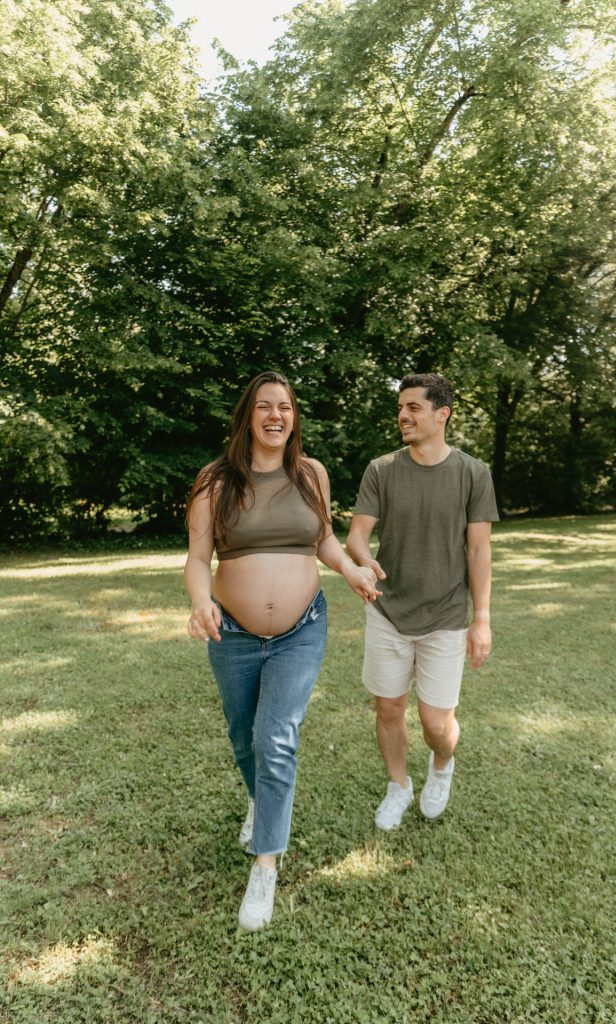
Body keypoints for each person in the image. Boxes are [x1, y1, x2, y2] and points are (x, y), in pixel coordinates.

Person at [184, 370, 380, 931]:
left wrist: (351, 569)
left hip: (302, 627)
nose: (277, 415)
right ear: (248, 415)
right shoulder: (215, 482)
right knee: (242, 734)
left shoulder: (310, 474)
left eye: (286, 407)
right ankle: (259, 802)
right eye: (265, 406)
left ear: (294, 417)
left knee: (276, 738)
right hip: (234, 633)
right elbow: (199, 558)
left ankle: (265, 863)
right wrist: (201, 600)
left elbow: (322, 542)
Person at [346, 372, 498, 831]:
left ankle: (441, 766)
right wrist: (362, 561)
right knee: (389, 708)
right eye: (401, 407)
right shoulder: (383, 469)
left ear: (441, 414)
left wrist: (482, 619)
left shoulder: (473, 473)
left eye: (413, 407)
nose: (403, 416)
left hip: (447, 615)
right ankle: (399, 786)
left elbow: (478, 549)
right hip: (388, 611)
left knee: (437, 722)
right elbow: (357, 534)